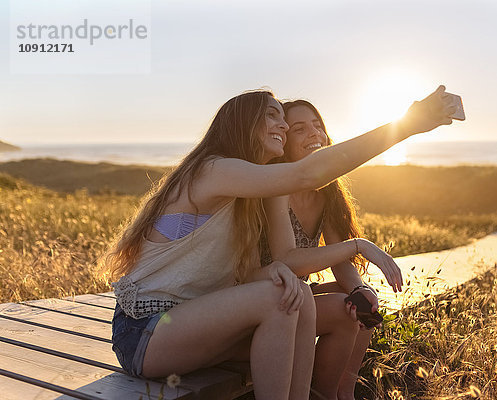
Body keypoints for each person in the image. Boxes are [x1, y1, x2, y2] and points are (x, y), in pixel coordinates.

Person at [105, 87, 455, 400]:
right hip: (145, 333)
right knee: (281, 296)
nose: (284, 126)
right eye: (272, 115)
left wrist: (274, 269)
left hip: (194, 325)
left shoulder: (252, 193)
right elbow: (308, 172)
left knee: (296, 293)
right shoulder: (214, 170)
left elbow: (254, 269)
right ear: (243, 123)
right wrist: (406, 125)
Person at [259, 99, 399, 400]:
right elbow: (289, 261)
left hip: (297, 295)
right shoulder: (276, 187)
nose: (314, 134)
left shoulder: (326, 192)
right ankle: (322, 395)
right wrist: (360, 245)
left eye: (317, 126)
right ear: (283, 142)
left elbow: (340, 258)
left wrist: (361, 287)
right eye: (299, 129)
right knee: (341, 310)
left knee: (361, 303)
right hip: (265, 299)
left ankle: (344, 392)